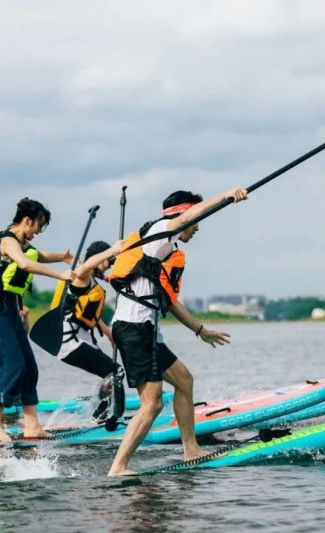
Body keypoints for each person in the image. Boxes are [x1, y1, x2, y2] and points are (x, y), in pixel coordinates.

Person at [106, 186, 248, 476]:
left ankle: (190, 448)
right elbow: (187, 217)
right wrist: (224, 197)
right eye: (196, 221)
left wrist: (201, 330)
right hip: (133, 329)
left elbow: (171, 301)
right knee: (153, 403)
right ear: (182, 215)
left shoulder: (164, 251)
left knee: (184, 380)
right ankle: (119, 467)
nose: (197, 228)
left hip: (143, 329)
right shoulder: (160, 232)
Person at [0, 197, 73, 442]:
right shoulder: (7, 241)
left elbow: (41, 255)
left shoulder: (22, 244)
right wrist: (60, 275)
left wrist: (65, 257)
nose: (37, 233)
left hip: (8, 307)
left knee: (28, 365)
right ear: (27, 220)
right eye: (37, 227)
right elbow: (26, 264)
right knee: (10, 363)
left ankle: (32, 426)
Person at [55, 239, 126, 422]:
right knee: (115, 372)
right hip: (70, 343)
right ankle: (104, 417)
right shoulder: (83, 277)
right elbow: (84, 266)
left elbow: (89, 314)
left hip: (82, 340)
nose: (108, 266)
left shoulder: (91, 280)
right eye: (107, 261)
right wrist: (112, 250)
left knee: (111, 374)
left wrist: (108, 332)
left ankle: (100, 417)